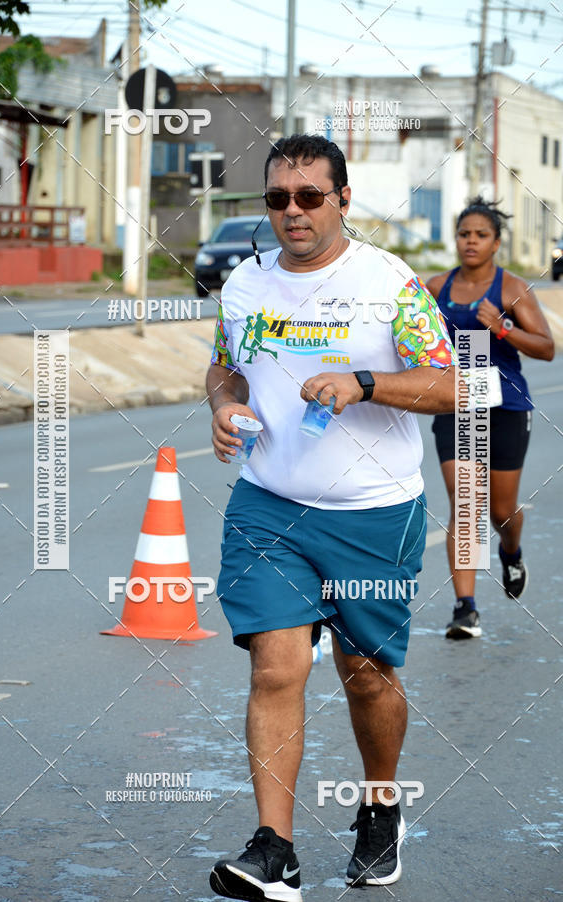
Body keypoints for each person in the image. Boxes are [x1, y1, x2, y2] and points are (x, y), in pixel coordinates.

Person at [205, 134, 456, 900]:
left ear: (343, 199)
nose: (294, 211)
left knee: (366, 675)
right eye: (278, 198)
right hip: (268, 505)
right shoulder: (245, 284)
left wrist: (364, 383)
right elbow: (225, 365)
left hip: (373, 512)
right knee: (275, 666)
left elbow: (454, 385)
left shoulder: (389, 282)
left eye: (310, 196)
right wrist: (225, 405)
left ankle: (380, 805)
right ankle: (274, 851)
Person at [427, 197, 554, 640]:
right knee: (465, 502)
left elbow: (546, 348)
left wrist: (502, 327)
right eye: (464, 234)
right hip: (457, 404)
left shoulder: (510, 288)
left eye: (481, 235)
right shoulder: (437, 287)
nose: (471, 242)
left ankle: (510, 550)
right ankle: (465, 608)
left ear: (496, 243)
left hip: (506, 407)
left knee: (501, 511)